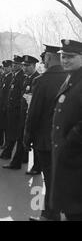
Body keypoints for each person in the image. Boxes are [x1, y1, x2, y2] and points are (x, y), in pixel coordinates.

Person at [24, 45, 66, 221]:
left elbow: (34, 113)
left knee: (49, 179)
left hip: (45, 140)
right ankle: (51, 213)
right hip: (66, 139)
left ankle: (50, 215)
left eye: (44, 58)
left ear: (48, 58)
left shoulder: (42, 80)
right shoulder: (72, 78)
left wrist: (27, 137)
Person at [50, 39, 82, 221]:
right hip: (66, 161)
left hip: (76, 160)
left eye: (71, 57)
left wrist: (70, 143)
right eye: (63, 56)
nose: (66, 60)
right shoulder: (71, 78)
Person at [3, 55, 40, 170]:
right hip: (23, 114)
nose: (25, 68)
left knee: (34, 141)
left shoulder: (37, 79)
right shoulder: (27, 78)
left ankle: (36, 167)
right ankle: (19, 162)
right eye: (24, 66)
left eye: (28, 66)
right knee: (21, 138)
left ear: (34, 66)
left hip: (33, 114)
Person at [0, 55, 25, 161]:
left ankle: (11, 155)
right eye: (13, 64)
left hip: (17, 110)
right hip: (11, 109)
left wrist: (17, 108)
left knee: (15, 135)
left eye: (16, 64)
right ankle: (8, 154)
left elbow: (21, 95)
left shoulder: (22, 76)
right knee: (12, 133)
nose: (13, 66)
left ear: (21, 65)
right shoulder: (14, 75)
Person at [0, 60, 13, 147]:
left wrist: (5, 104)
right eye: (4, 67)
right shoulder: (5, 76)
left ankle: (5, 143)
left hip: (6, 104)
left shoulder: (11, 77)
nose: (5, 69)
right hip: (1, 103)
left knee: (5, 125)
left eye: (7, 67)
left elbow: (8, 93)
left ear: (10, 67)